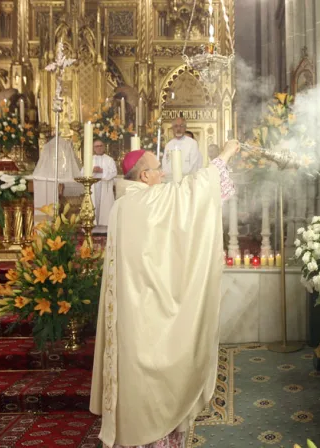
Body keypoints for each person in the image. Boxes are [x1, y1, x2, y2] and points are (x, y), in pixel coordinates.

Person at [90, 140, 239, 448]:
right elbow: (194, 196)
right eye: (158, 169)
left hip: (133, 310)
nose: (163, 173)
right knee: (153, 375)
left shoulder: (123, 204)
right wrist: (223, 156)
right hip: (149, 311)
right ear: (144, 176)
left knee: (134, 374)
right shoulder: (147, 202)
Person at [32, 135, 82, 222]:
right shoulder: (48, 155)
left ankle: (62, 220)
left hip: (61, 180)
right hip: (49, 182)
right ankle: (48, 222)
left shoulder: (64, 155)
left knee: (63, 203)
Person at [83, 139, 117, 227]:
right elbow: (82, 172)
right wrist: (92, 170)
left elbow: (114, 172)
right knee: (93, 205)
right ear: (94, 148)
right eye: (96, 146)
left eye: (100, 146)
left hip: (105, 187)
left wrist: (102, 171)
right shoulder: (89, 159)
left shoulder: (109, 160)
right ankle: (92, 224)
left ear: (104, 147)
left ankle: (105, 226)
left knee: (105, 208)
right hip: (92, 188)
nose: (99, 148)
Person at [161, 117, 203, 181]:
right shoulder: (169, 145)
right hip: (170, 180)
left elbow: (193, 165)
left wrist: (181, 177)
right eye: (176, 126)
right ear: (172, 128)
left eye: (181, 126)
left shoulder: (192, 143)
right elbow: (165, 164)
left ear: (185, 128)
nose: (178, 129)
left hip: (187, 180)